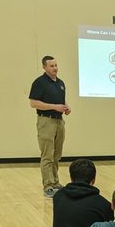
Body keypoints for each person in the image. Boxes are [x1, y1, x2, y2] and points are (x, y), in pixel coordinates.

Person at [29, 55, 71, 198]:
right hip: (46, 122)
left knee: (57, 155)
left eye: (56, 65)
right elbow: (33, 103)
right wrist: (54, 107)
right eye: (52, 66)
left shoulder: (60, 83)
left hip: (59, 122)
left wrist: (66, 108)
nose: (55, 68)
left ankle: (55, 182)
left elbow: (61, 102)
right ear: (44, 67)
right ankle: (47, 186)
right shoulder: (39, 83)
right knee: (47, 155)